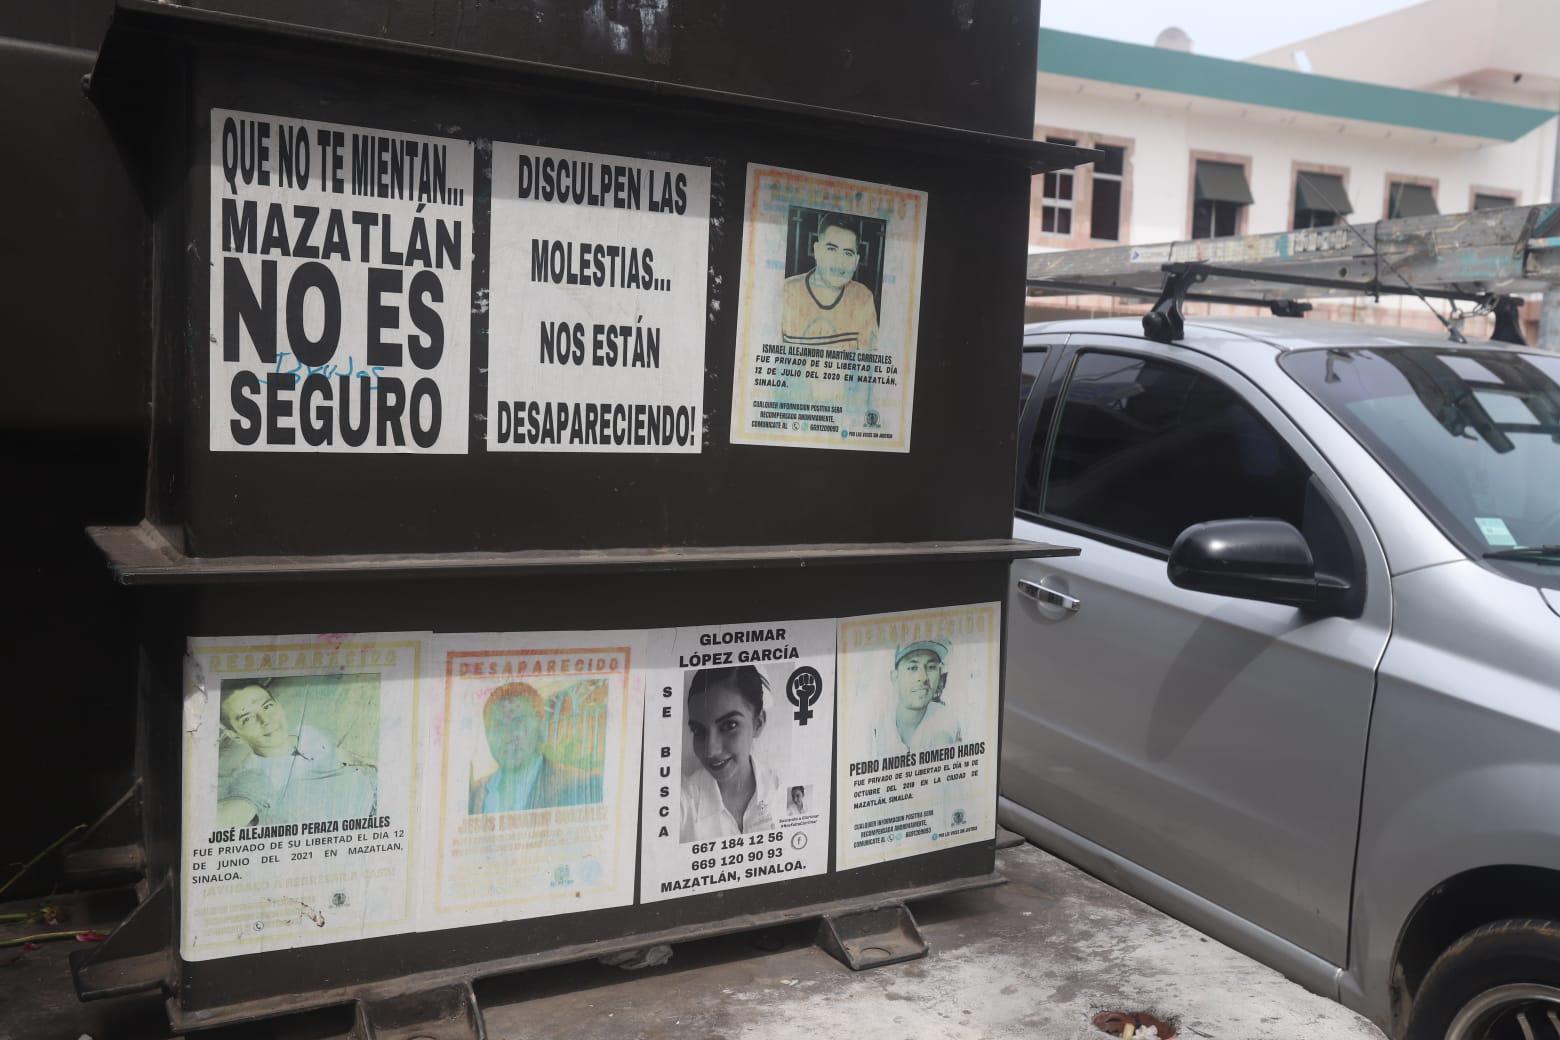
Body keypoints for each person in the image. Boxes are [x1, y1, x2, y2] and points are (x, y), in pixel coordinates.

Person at [216, 679, 377, 829]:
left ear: (278, 705)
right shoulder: (255, 776)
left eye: (267, 706)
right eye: (248, 718)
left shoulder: (307, 732)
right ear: (235, 736)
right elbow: (233, 812)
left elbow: (346, 757)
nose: (266, 720)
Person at [680, 666, 784, 842]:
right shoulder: (682, 802)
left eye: (729, 726)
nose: (710, 751)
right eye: (698, 730)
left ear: (758, 723)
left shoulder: (781, 789)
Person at [470, 682, 602, 814]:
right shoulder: (472, 794)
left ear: (540, 727)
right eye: (498, 726)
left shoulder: (582, 786)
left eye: (518, 722)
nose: (507, 736)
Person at [781, 213, 880, 352]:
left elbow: (869, 365)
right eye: (831, 249)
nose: (839, 262)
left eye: (848, 253)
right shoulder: (786, 291)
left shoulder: (863, 297)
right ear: (817, 251)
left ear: (856, 261)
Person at [865, 638, 962, 758]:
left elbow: (943, 739)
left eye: (931, 667)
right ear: (895, 678)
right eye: (912, 668)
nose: (923, 677)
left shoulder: (945, 718)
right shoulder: (876, 720)